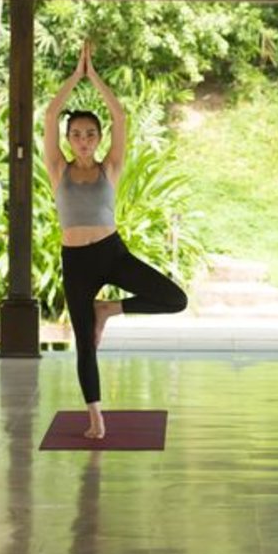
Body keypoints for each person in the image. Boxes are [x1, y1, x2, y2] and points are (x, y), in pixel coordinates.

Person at [44, 41, 187, 440]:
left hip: (112, 254)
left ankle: (110, 308)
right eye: (76, 134)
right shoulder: (58, 169)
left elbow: (120, 115)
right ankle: (95, 417)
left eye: (91, 134)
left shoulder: (111, 167)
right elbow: (51, 113)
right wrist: (75, 77)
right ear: (68, 139)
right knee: (84, 344)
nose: (84, 140)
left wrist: (95, 77)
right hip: (75, 262)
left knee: (176, 300)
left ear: (99, 137)